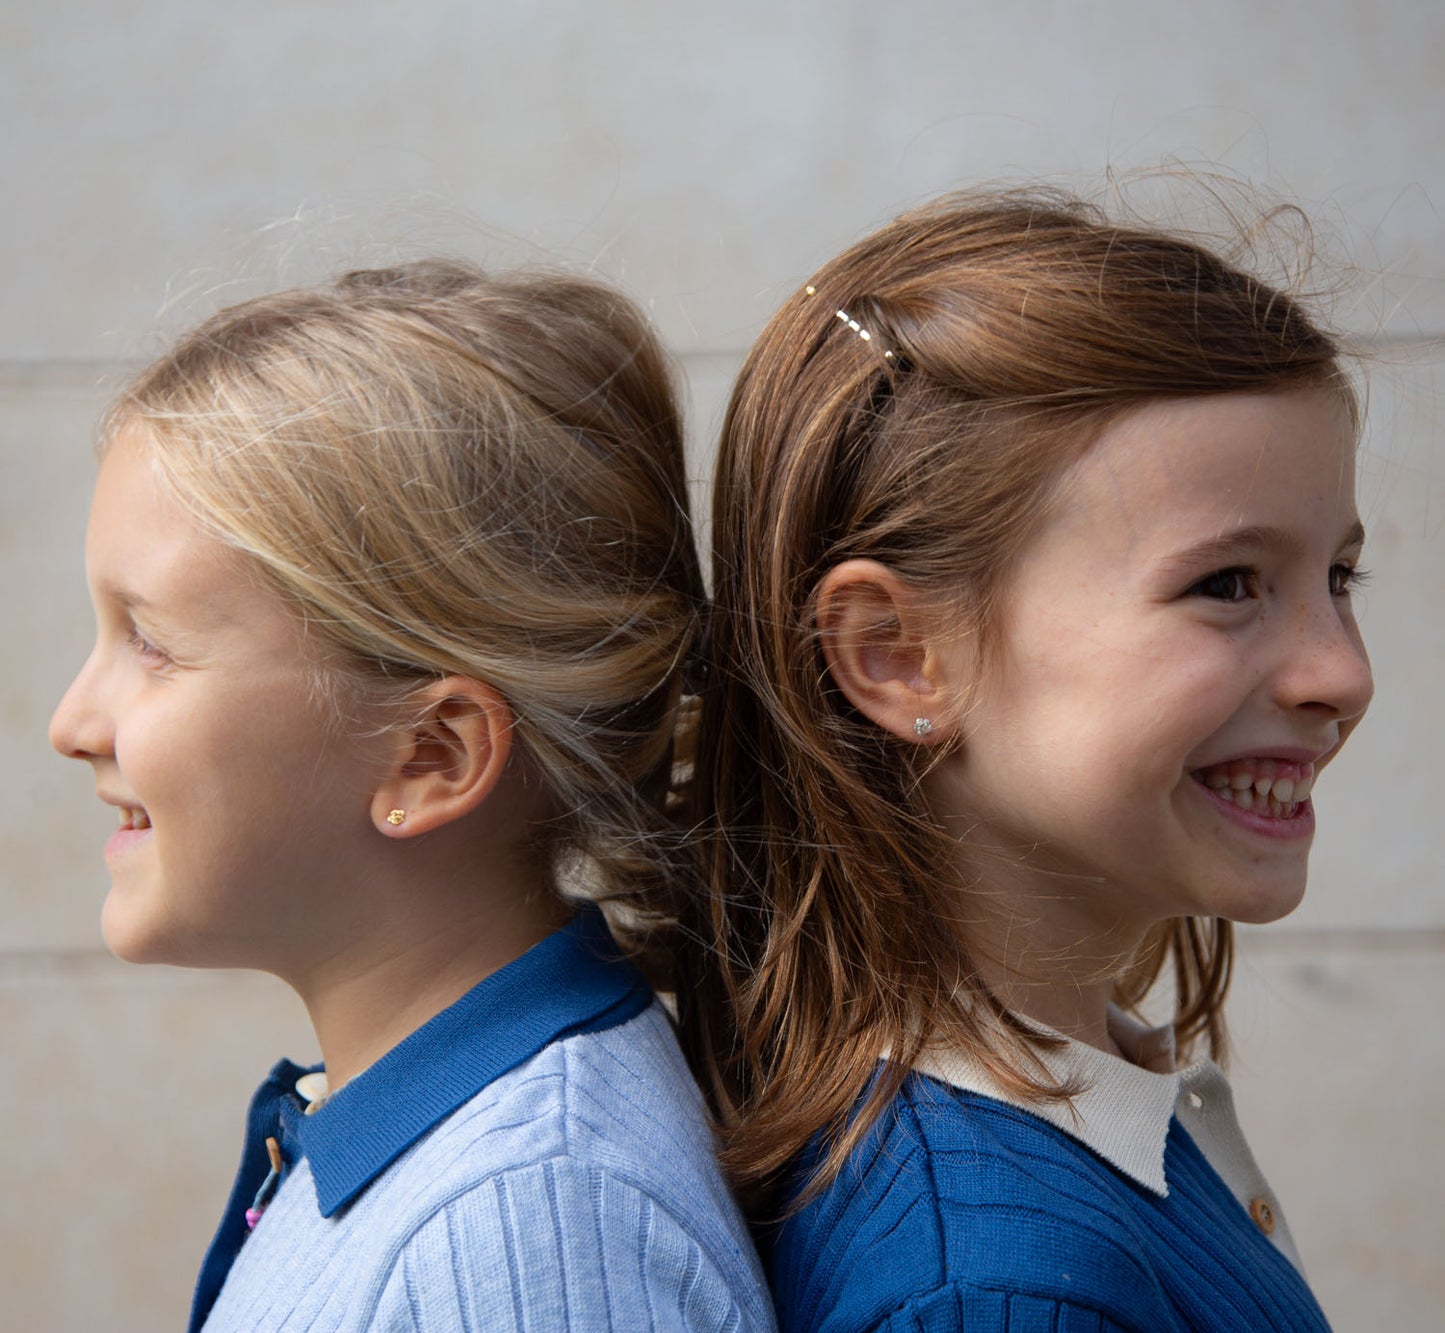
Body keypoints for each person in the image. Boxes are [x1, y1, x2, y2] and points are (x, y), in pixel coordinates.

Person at [675, 190, 1371, 1331]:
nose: (1339, 674)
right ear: (897, 654)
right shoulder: (993, 1290)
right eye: (1225, 583)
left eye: (1337, 578)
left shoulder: (1062, 1136)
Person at [49, 261, 775, 1332]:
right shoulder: (462, 1171)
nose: (72, 722)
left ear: (429, 754)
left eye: (150, 642)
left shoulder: (527, 1229)